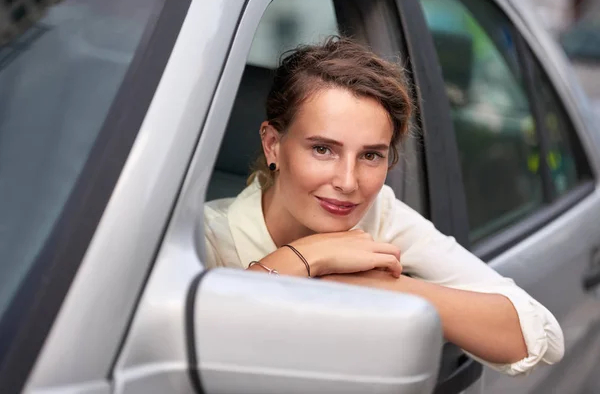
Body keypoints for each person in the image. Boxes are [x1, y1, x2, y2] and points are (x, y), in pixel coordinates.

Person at [203, 36, 564, 376]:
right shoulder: (203, 237)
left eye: (371, 155)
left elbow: (539, 335)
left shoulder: (382, 216)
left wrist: (382, 286)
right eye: (323, 149)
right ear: (273, 145)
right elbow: (192, 343)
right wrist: (305, 258)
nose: (348, 182)